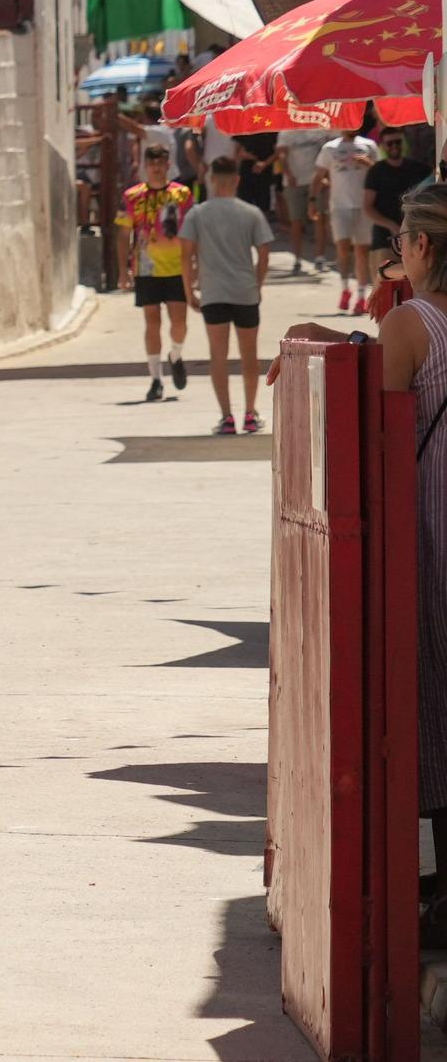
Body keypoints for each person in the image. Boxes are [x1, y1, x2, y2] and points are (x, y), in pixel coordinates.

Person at [270, 185, 447, 939]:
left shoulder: (416, 321)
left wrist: (330, 340)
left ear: (422, 247)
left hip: (433, 533)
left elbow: (374, 406)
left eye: (402, 241)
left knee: (429, 703)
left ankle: (435, 894)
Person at [181, 158, 273, 435]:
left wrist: (189, 292)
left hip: (213, 293)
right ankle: (250, 413)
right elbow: (265, 253)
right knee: (250, 355)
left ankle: (226, 417)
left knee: (218, 356)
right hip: (244, 291)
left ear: (211, 179)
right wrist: (257, 285)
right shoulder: (251, 212)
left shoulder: (197, 214)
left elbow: (186, 255)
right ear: (236, 179)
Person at [116, 144, 193, 403]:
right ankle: (156, 379)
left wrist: (196, 266)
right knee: (152, 323)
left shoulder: (182, 194)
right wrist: (123, 271)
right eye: (152, 164)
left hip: (176, 265)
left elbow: (192, 231)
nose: (157, 168)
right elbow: (124, 233)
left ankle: (176, 355)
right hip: (145, 266)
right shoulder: (132, 195)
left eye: (161, 164)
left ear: (168, 165)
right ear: (145, 167)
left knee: (179, 322)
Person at [318, 123, 383, 315]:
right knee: (343, 249)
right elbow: (319, 174)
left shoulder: (369, 145)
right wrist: (312, 200)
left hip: (363, 205)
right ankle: (345, 288)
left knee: (362, 252)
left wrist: (368, 163)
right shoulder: (330, 147)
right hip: (339, 205)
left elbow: (380, 171)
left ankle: (361, 297)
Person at [364, 128, 429, 283]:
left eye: (398, 142)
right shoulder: (376, 171)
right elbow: (367, 207)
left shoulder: (419, 168)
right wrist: (391, 225)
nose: (394, 146)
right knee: (385, 286)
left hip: (414, 237)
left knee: (414, 285)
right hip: (385, 237)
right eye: (389, 143)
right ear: (383, 146)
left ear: (404, 143)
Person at [277, 127, 328, 273]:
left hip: (314, 181)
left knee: (320, 218)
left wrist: (324, 176)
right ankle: (297, 259)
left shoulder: (318, 130)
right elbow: (282, 155)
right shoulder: (286, 132)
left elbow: (324, 154)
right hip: (294, 182)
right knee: (296, 221)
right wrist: (289, 174)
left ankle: (320, 258)